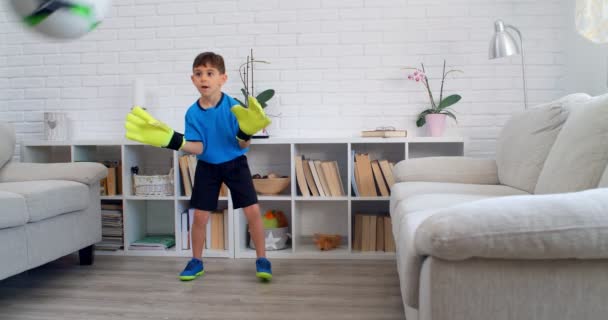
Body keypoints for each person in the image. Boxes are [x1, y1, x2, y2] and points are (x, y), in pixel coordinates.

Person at [124, 52, 272, 281]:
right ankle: (196, 261)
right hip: (208, 166)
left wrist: (246, 132)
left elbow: (243, 143)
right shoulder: (192, 113)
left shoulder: (234, 107)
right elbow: (199, 148)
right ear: (193, 79)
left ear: (222, 78)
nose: (204, 78)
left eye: (210, 73)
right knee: (200, 217)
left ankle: (262, 260)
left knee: (252, 211)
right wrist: (173, 140)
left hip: (235, 163)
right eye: (199, 74)